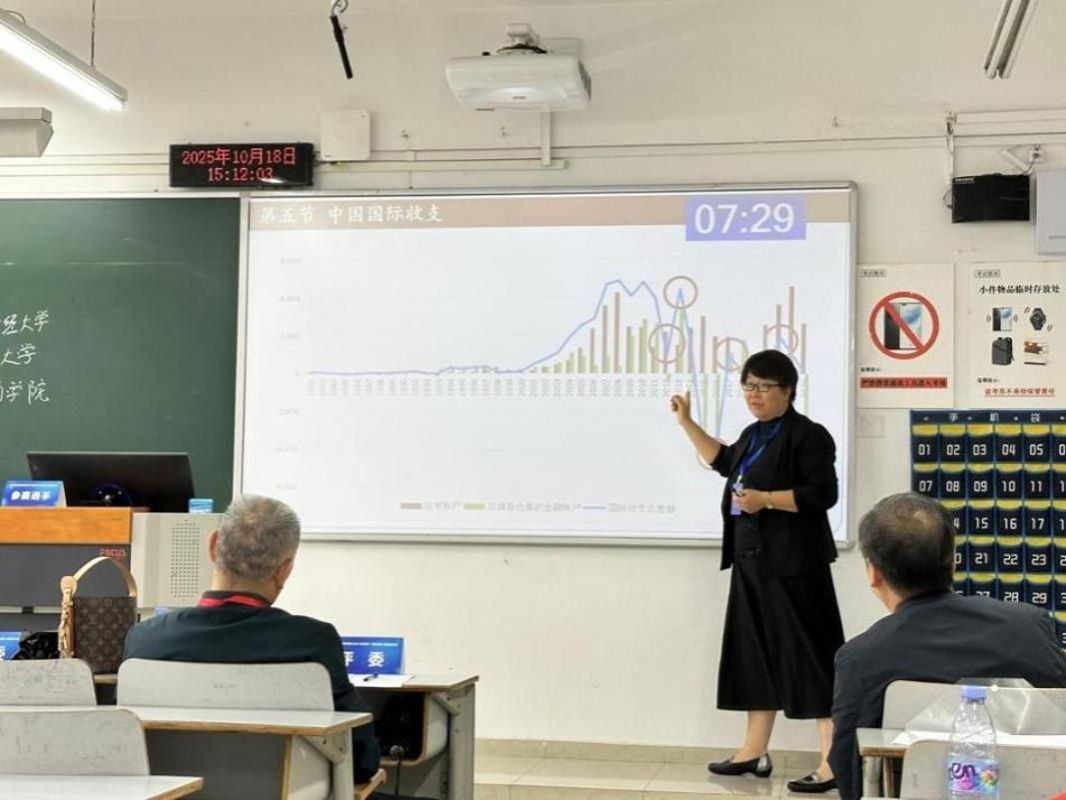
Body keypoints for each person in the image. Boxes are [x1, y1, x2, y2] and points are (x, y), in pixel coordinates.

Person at [670, 348, 844, 793]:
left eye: (765, 387)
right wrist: (687, 423)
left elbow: (822, 494)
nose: (754, 394)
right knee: (754, 658)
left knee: (813, 658)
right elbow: (724, 462)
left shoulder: (809, 436)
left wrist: (766, 499)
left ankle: (832, 761)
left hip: (795, 567)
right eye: (749, 386)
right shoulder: (753, 434)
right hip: (752, 563)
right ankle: (753, 752)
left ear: (788, 390)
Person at [123, 494, 381, 783]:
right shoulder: (313, 642)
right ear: (284, 570)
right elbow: (361, 759)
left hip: (173, 792)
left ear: (212, 546)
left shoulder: (145, 640)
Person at [829, 492, 1066, 800]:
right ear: (953, 561)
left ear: (873, 573)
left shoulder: (860, 658)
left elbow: (849, 773)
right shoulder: (1031, 627)